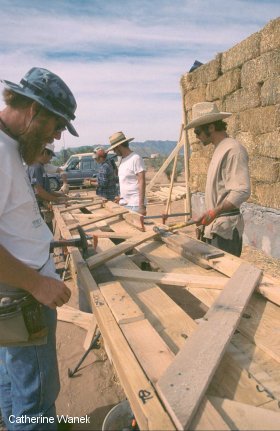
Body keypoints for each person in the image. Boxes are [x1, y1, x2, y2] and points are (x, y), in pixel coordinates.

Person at [0, 67, 78, 430]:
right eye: (57, 125)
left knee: (13, 380)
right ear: (34, 111)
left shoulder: (11, 146)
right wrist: (37, 283)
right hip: (22, 297)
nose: (58, 135)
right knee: (37, 396)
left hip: (17, 293)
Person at [186, 102, 251, 257]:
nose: (196, 136)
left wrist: (214, 212)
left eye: (198, 131)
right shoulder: (220, 148)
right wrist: (207, 216)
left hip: (225, 231)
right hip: (215, 228)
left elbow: (241, 191)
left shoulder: (233, 149)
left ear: (211, 127)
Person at [27, 143, 68, 232]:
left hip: (42, 204)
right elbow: (39, 191)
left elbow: (46, 190)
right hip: (38, 207)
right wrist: (57, 200)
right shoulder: (36, 167)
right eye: (50, 156)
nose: (51, 159)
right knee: (46, 233)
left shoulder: (40, 166)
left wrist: (60, 194)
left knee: (48, 231)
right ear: (45, 152)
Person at [107, 131, 146, 215]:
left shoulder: (135, 158)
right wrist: (120, 197)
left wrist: (141, 206)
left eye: (114, 149)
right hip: (124, 204)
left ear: (118, 146)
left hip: (135, 205)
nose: (114, 151)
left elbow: (141, 181)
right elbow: (125, 182)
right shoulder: (123, 160)